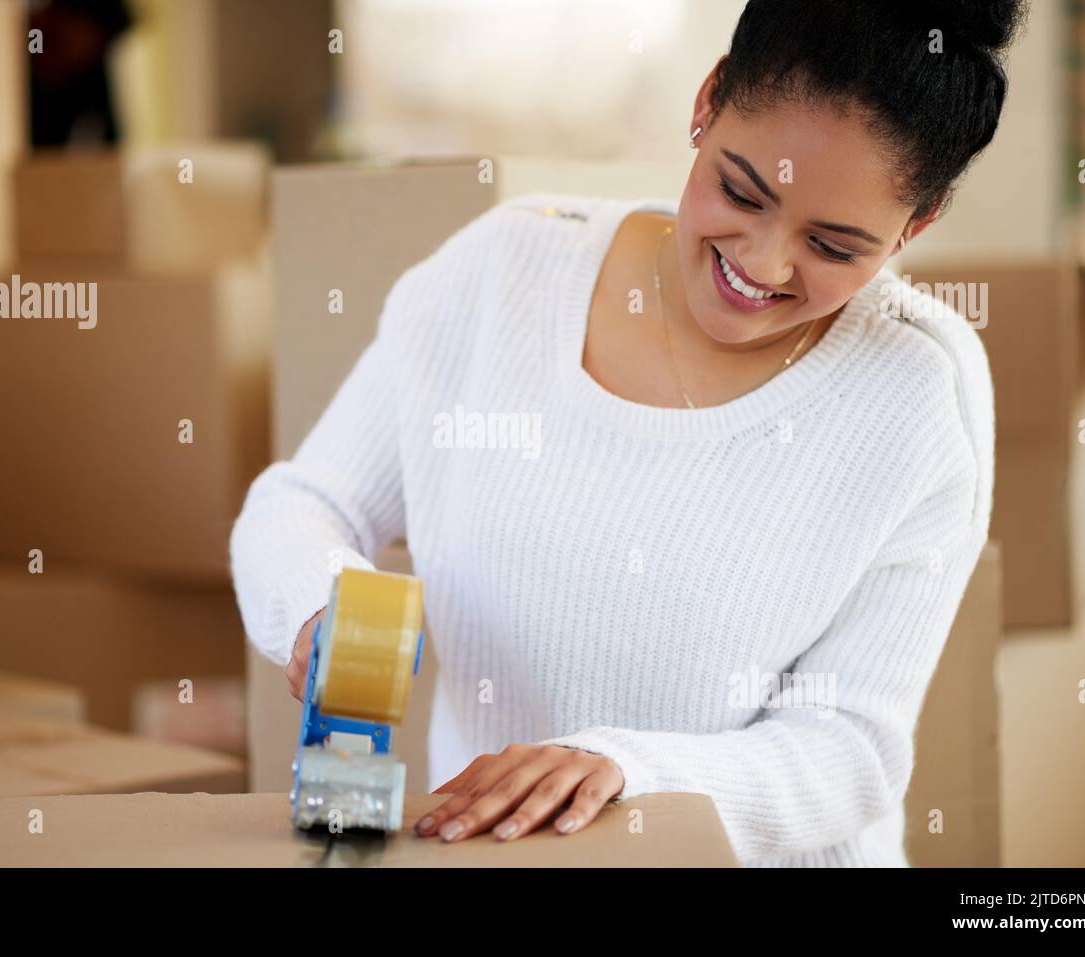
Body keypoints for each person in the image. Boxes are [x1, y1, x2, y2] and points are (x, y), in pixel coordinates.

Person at [232, 0, 1025, 866]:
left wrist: (627, 769)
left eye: (835, 247)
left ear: (916, 225)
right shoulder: (501, 273)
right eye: (740, 191)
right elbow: (307, 501)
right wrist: (320, 606)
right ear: (709, 99)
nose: (761, 265)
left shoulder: (918, 392)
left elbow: (852, 748)